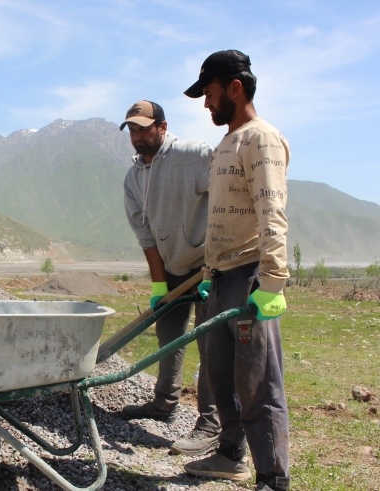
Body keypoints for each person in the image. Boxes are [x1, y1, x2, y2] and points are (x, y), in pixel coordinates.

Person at [182, 50, 291, 491]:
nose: (206, 103)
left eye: (209, 92)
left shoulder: (261, 139)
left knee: (257, 382)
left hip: (249, 277)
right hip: (221, 277)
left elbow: (271, 212)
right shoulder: (226, 143)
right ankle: (230, 454)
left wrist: (272, 282)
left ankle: (273, 477)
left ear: (234, 88)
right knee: (221, 375)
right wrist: (209, 275)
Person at [118, 100, 220, 456]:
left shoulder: (193, 155)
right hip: (172, 266)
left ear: (162, 127)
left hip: (209, 266)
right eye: (132, 130)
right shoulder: (133, 179)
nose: (137, 136)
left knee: (210, 343)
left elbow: (227, 200)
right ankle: (164, 403)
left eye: (144, 129)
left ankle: (211, 423)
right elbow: (146, 236)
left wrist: (215, 265)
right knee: (169, 335)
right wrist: (160, 285)